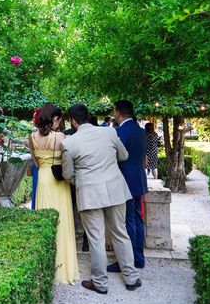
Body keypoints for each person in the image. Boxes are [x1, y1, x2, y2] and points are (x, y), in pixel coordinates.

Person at [61, 103, 141, 294]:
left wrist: (82, 181)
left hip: (89, 194)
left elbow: (67, 174)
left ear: (73, 121)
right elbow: (124, 155)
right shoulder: (109, 133)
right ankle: (131, 277)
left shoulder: (69, 143)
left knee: (96, 238)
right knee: (121, 233)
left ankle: (100, 283)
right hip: (115, 189)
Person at [29, 103, 80, 285]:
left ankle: (44, 267)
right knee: (62, 222)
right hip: (58, 182)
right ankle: (62, 267)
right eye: (59, 119)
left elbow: (36, 162)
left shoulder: (32, 137)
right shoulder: (60, 136)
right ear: (55, 119)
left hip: (43, 179)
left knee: (44, 222)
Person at [110, 99, 148, 272]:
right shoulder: (140, 131)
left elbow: (117, 156)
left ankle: (127, 260)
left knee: (127, 221)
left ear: (118, 112)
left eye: (114, 111)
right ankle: (139, 257)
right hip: (139, 179)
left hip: (125, 180)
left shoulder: (120, 132)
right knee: (138, 220)